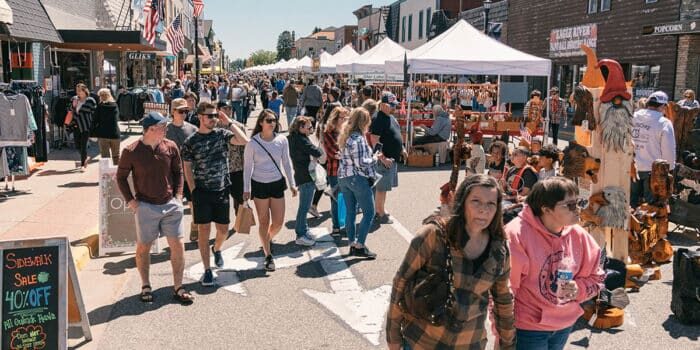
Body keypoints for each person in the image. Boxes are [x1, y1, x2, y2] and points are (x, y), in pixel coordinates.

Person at [386, 175, 515, 349]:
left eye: (491, 204)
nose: (484, 209)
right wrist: (393, 338)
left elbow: (503, 299)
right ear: (462, 202)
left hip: (470, 343)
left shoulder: (499, 249)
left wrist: (507, 343)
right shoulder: (433, 235)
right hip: (423, 341)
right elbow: (401, 283)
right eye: (476, 201)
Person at [506, 177, 605, 350]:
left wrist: (578, 289)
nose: (578, 209)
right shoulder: (516, 235)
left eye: (578, 202)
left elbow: (597, 278)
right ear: (546, 209)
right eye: (570, 205)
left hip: (564, 324)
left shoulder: (579, 236)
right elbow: (503, 291)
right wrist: (502, 332)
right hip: (527, 328)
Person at [116, 112, 194, 305]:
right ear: (151, 129)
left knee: (178, 245)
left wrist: (178, 196)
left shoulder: (170, 146)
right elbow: (120, 177)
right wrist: (131, 202)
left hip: (170, 205)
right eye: (162, 126)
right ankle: (145, 285)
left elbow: (178, 172)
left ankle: (178, 286)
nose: (166, 129)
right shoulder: (131, 151)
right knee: (144, 247)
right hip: (146, 207)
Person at [182, 102, 249, 286]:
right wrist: (193, 190)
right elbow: (187, 168)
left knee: (223, 230)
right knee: (204, 231)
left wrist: (228, 122)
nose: (213, 119)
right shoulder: (191, 141)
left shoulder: (222, 134)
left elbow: (244, 140)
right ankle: (207, 270)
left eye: (215, 116)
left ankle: (217, 248)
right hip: (202, 192)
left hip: (221, 190)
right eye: (210, 116)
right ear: (200, 117)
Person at [243, 109, 297, 271]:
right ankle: (268, 255)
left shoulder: (282, 140)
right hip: (259, 185)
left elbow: (287, 163)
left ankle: (267, 239)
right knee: (264, 221)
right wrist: (247, 189)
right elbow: (247, 167)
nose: (272, 123)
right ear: (261, 123)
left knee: (278, 222)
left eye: (274, 120)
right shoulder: (253, 143)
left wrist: (292, 183)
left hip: (276, 183)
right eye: (268, 120)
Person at [338, 108, 379, 259]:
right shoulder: (358, 139)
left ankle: (352, 244)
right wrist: (375, 158)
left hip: (344, 177)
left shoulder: (346, 136)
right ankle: (360, 245)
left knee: (350, 212)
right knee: (369, 212)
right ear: (364, 122)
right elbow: (361, 162)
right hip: (357, 178)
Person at [630, 91, 676, 208]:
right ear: (662, 106)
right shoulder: (664, 123)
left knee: (630, 203)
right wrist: (669, 169)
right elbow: (668, 150)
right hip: (653, 170)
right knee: (651, 207)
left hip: (631, 167)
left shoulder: (633, 117)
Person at [370, 92, 408, 225]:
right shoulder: (378, 118)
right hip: (384, 160)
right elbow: (374, 141)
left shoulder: (390, 117)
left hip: (390, 158)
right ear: (384, 105)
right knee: (381, 188)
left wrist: (402, 149)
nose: (394, 108)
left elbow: (396, 133)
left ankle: (380, 210)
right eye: (391, 105)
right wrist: (382, 158)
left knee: (384, 188)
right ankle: (380, 213)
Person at [288, 116, 325, 246]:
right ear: (301, 127)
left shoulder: (294, 137)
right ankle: (300, 234)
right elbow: (317, 151)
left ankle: (303, 229)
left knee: (304, 205)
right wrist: (319, 148)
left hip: (302, 174)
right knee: (304, 207)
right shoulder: (301, 140)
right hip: (305, 176)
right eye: (309, 127)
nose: (311, 130)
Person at [166, 98, 199, 241]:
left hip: (190, 174)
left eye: (186, 111)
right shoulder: (165, 130)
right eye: (181, 111)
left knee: (193, 203)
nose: (184, 113)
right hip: (171, 175)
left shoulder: (193, 129)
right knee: (173, 206)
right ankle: (174, 235)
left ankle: (195, 225)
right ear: (173, 112)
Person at [216, 101, 248, 217]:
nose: (229, 110)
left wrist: (246, 170)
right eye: (225, 108)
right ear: (218, 110)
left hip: (236, 169)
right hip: (219, 170)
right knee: (221, 202)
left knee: (239, 200)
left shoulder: (238, 127)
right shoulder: (214, 126)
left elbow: (245, 149)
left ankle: (239, 222)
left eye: (230, 108)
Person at [323, 107, 349, 235]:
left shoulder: (347, 132)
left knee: (348, 198)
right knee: (336, 199)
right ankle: (336, 226)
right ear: (335, 119)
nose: (344, 120)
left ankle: (345, 224)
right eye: (342, 118)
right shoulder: (328, 133)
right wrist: (347, 153)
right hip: (334, 171)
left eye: (346, 118)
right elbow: (334, 152)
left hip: (349, 170)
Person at [70, 83, 96, 172]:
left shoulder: (90, 100)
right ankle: (85, 158)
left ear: (84, 91)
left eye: (79, 90)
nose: (77, 92)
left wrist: (94, 125)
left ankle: (82, 165)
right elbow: (71, 111)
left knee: (83, 145)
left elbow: (94, 112)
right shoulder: (74, 99)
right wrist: (73, 105)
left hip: (86, 125)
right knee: (77, 145)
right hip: (76, 125)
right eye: (76, 90)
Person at [93, 88, 121, 165]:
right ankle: (117, 174)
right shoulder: (115, 105)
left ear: (100, 97)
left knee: (105, 157)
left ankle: (106, 175)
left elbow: (94, 120)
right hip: (115, 134)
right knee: (116, 156)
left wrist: (93, 133)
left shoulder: (100, 107)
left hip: (103, 135)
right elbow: (117, 118)